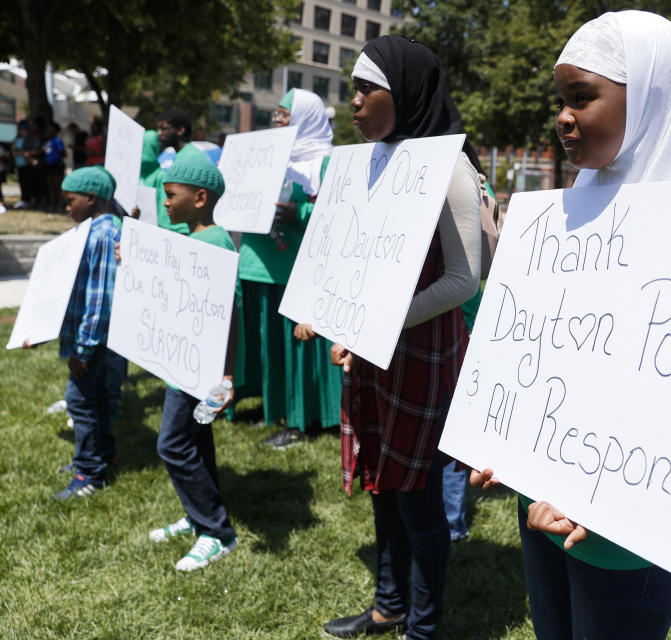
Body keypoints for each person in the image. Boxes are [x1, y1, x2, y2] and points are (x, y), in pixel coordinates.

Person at [470, 11, 671, 639]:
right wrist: (502, 437)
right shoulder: (566, 217)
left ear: (650, 98)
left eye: (582, 98)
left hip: (625, 531)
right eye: (560, 100)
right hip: (540, 501)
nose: (563, 116)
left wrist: (604, 493)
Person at [319, 36, 483, 640]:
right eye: (352, 90)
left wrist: (377, 322)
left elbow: (464, 279)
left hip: (420, 354)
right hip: (375, 351)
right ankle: (390, 606)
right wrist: (341, 319)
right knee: (382, 486)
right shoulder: (372, 161)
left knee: (416, 499)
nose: (354, 103)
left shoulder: (450, 166)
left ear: (406, 92)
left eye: (367, 89)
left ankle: (425, 626)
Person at [137, 153, 240, 571]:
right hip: (183, 361)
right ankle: (197, 512)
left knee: (173, 444)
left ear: (199, 198)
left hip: (200, 371)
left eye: (170, 195)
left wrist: (227, 375)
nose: (164, 202)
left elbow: (230, 313)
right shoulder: (196, 240)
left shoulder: (214, 244)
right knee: (196, 441)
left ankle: (216, 532)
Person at [233, 88, 341, 449]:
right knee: (265, 343)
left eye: (284, 114)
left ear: (306, 118)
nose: (277, 121)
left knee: (295, 348)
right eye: (276, 114)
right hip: (256, 263)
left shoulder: (324, 162)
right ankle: (270, 405)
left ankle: (300, 419)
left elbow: (337, 216)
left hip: (295, 270)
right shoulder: (265, 155)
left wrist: (300, 213)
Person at [37, 167, 123, 499]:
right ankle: (103, 455)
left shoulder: (102, 234)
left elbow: (101, 299)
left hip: (94, 340)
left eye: (70, 200)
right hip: (96, 339)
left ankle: (89, 473)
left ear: (90, 198)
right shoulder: (96, 229)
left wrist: (83, 349)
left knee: (79, 401)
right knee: (98, 398)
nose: (66, 207)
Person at [140, 109, 205, 234]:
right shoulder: (180, 155)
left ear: (180, 130)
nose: (159, 134)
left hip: (184, 231)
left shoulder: (192, 157)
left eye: (164, 129)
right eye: (158, 129)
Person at [44, 122, 66, 212]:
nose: (48, 131)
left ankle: (60, 205)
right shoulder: (47, 141)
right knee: (51, 187)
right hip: (49, 166)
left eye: (50, 129)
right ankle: (52, 205)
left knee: (58, 186)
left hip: (57, 165)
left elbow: (63, 153)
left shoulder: (57, 141)